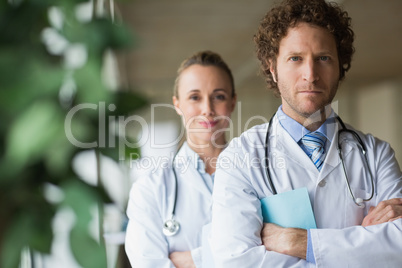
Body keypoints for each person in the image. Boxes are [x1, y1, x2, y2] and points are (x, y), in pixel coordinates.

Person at [210, 0, 402, 267]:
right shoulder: (240, 157)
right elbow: (235, 262)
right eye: (295, 58)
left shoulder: (376, 155)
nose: (310, 75)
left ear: (340, 66)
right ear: (273, 68)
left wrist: (297, 243)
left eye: (323, 58)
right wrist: (364, 246)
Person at [125, 51, 236, 267]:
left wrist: (192, 260)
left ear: (232, 102)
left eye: (219, 96)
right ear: (177, 104)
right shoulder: (150, 189)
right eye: (195, 97)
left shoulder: (263, 176)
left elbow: (280, 253)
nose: (207, 110)